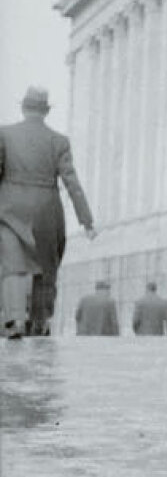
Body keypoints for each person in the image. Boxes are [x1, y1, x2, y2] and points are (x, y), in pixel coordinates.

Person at [0, 85, 96, 339]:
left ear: (23, 107)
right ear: (45, 111)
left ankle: (14, 320)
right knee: (45, 266)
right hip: (47, 209)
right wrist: (86, 220)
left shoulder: (4, 135)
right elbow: (71, 182)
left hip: (10, 209)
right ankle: (40, 322)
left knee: (13, 264)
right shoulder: (59, 141)